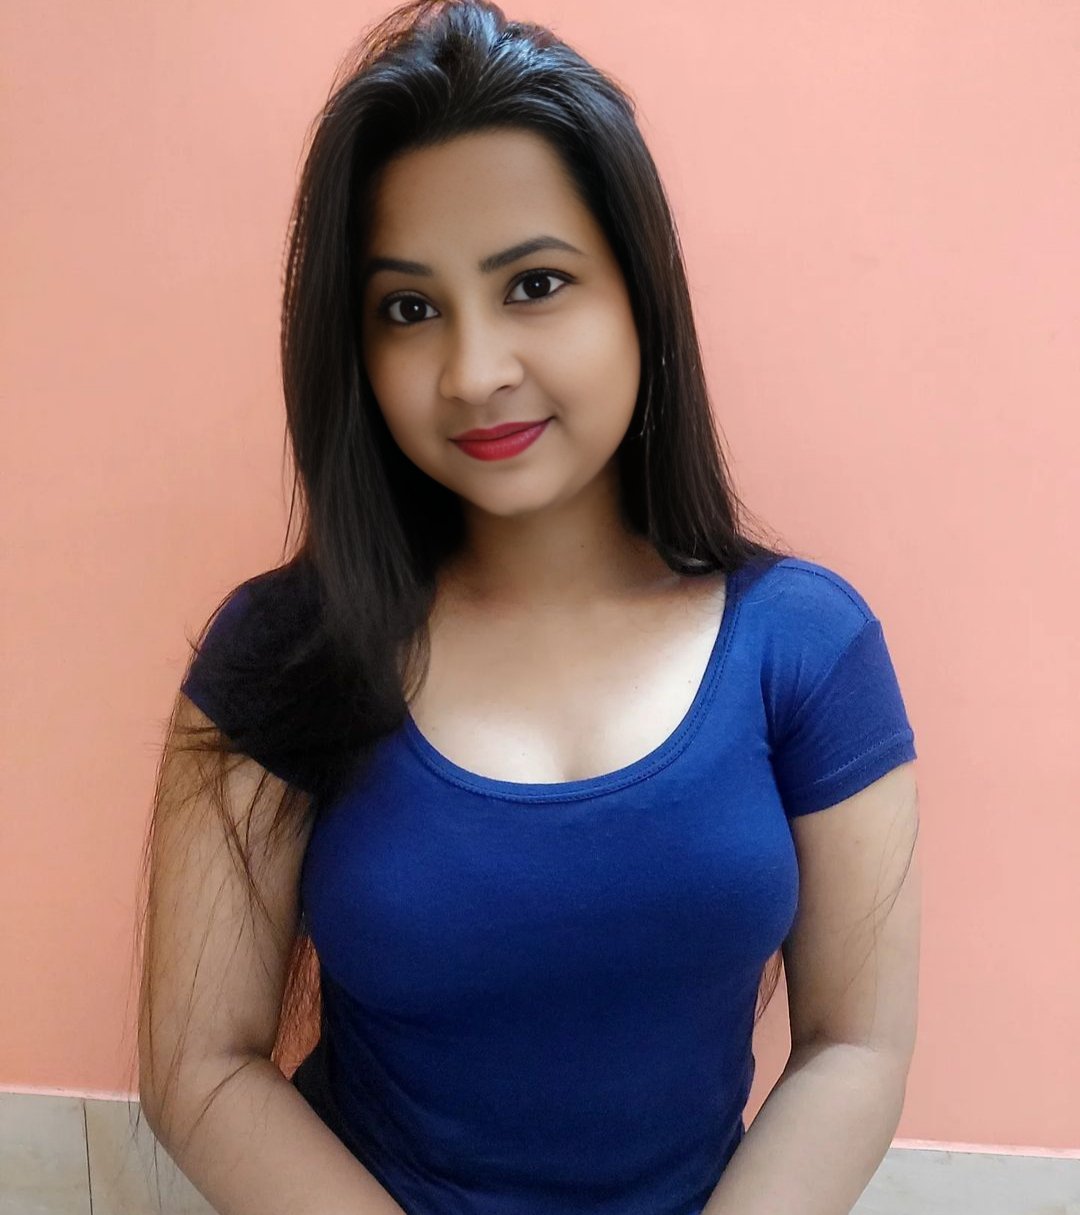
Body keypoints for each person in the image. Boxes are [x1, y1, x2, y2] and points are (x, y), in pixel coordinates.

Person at [135, 2, 921, 1213]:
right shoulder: (280, 655)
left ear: (638, 295)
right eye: (410, 308)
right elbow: (201, 1068)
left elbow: (852, 1044)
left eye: (535, 284)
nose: (475, 370)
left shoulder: (807, 651)